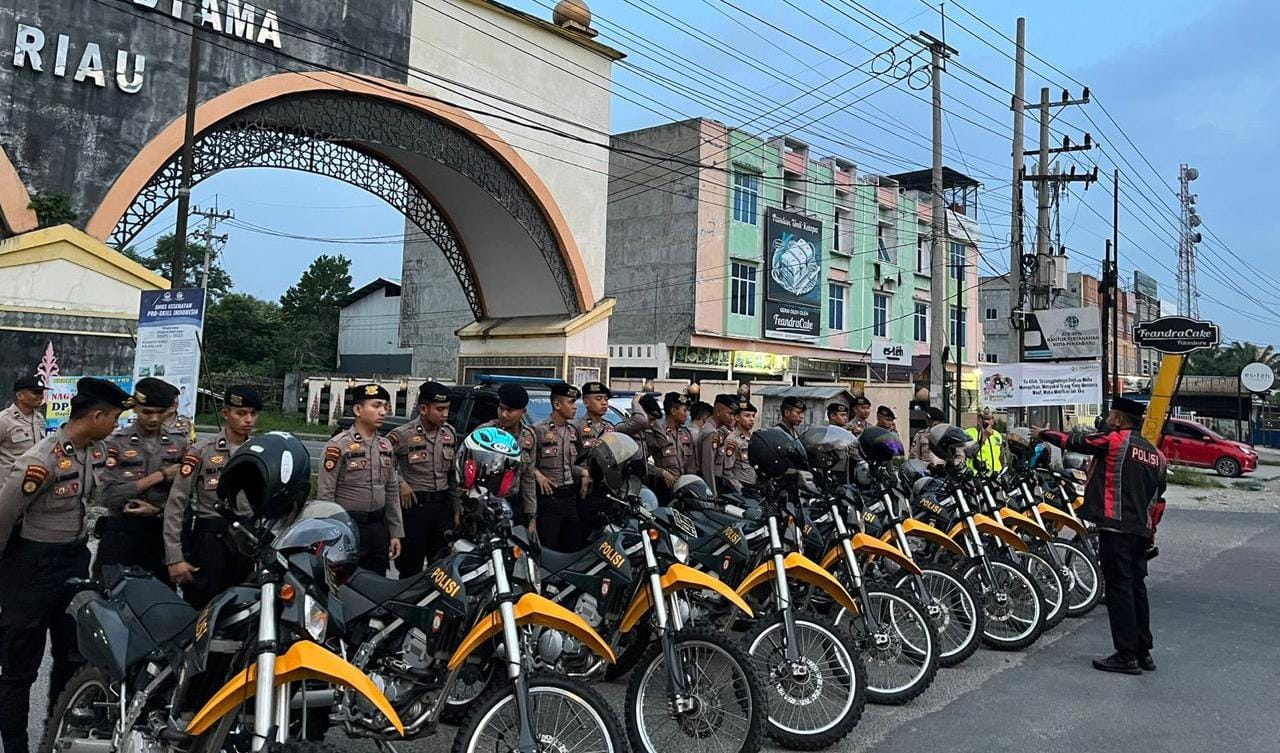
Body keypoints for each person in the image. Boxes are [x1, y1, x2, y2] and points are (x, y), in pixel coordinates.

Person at [0, 377, 131, 753]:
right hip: (30, 566)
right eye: (114, 418)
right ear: (96, 416)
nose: (116, 425)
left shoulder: (93, 449)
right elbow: (4, 516)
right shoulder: (40, 460)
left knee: (73, 656)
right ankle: (15, 745)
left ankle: (54, 734)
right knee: (19, 667)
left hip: (73, 561)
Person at [1035, 397, 1167, 675]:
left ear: (1118, 419)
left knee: (1118, 589)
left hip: (1115, 528)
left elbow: (1076, 442)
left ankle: (1126, 655)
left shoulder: (1116, 441)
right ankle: (1144, 652)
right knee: (1135, 588)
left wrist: (1042, 434)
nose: (1107, 421)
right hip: (1140, 531)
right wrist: (1151, 532)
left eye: (1110, 417)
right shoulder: (1156, 455)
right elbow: (1159, 500)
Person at [163, 385, 262, 608]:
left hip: (247, 540)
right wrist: (175, 557)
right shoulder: (202, 451)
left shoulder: (261, 452)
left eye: (253, 414)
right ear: (226, 413)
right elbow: (176, 504)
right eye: (241, 413)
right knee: (202, 607)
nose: (248, 420)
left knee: (245, 608)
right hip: (210, 540)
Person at [95, 377, 189, 585]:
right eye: (147, 412)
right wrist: (160, 476)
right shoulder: (115, 443)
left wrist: (156, 511)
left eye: (161, 412)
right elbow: (108, 496)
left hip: (160, 534)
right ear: (135, 408)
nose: (154, 418)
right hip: (121, 532)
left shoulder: (179, 442)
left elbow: (186, 498)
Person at [316, 384, 403, 575]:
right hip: (348, 526)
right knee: (345, 582)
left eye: (385, 407)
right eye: (376, 405)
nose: (382, 412)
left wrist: (395, 533)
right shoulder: (339, 446)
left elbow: (392, 491)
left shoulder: (385, 445)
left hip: (378, 528)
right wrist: (331, 533)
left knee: (377, 582)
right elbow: (326, 494)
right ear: (358, 409)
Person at [389, 381, 460, 577]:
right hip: (415, 509)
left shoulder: (449, 434)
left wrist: (456, 509)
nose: (445, 414)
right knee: (411, 567)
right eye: (439, 409)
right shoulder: (403, 435)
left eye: (447, 409)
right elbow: (380, 465)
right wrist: (400, 482)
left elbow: (453, 476)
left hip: (442, 507)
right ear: (423, 409)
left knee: (442, 569)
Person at [531, 383, 585, 551]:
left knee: (573, 545)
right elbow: (524, 461)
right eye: (570, 402)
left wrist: (583, 472)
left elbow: (569, 465)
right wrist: (537, 474)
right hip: (549, 498)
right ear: (557, 404)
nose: (575, 407)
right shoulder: (538, 430)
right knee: (549, 546)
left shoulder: (572, 431)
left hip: (569, 497)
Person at [478, 384, 538, 533]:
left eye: (510, 411)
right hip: (487, 503)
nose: (504, 414)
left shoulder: (528, 437)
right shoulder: (485, 434)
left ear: (523, 412)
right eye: (501, 408)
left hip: (514, 503)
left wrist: (532, 517)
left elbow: (528, 477)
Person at [0, 376, 49, 474]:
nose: (41, 396)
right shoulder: (4, 419)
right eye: (35, 392)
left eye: (42, 392)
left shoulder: (39, 418)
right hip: (9, 483)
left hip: (33, 481)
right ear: (20, 395)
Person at [697, 393, 741, 495]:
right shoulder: (711, 433)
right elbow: (708, 468)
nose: (733, 418)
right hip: (712, 484)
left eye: (734, 415)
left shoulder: (718, 431)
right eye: (729, 414)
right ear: (718, 411)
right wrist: (713, 494)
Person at [727, 401, 758, 490]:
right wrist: (740, 489)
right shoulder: (732, 440)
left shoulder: (754, 438)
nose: (752, 419)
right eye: (747, 416)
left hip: (756, 486)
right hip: (742, 486)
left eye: (753, 416)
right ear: (737, 417)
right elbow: (727, 471)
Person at [965, 407, 1005, 474]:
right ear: (978, 419)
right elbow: (968, 453)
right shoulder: (970, 433)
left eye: (988, 419)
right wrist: (984, 437)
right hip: (977, 477)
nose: (985, 421)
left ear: (992, 420)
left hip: (995, 477)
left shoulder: (997, 435)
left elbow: (1001, 457)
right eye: (983, 418)